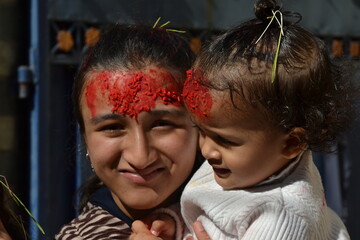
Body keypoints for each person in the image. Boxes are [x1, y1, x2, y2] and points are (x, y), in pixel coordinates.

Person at [178, 0, 356, 239]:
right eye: (201, 130)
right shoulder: (252, 165)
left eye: (225, 140)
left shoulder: (281, 216)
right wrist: (173, 223)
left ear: (291, 144)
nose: (207, 149)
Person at [55, 23, 202, 239]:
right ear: (85, 137)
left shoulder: (251, 203)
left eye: (162, 124)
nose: (140, 157)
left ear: (200, 125)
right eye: (112, 127)